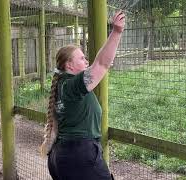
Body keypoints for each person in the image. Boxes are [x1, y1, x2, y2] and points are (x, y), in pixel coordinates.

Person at [40, 11, 125, 180]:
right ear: (69, 65)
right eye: (82, 58)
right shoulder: (71, 85)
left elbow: (99, 63)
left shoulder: (62, 85)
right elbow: (101, 63)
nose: (86, 61)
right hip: (79, 157)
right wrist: (116, 32)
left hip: (61, 157)